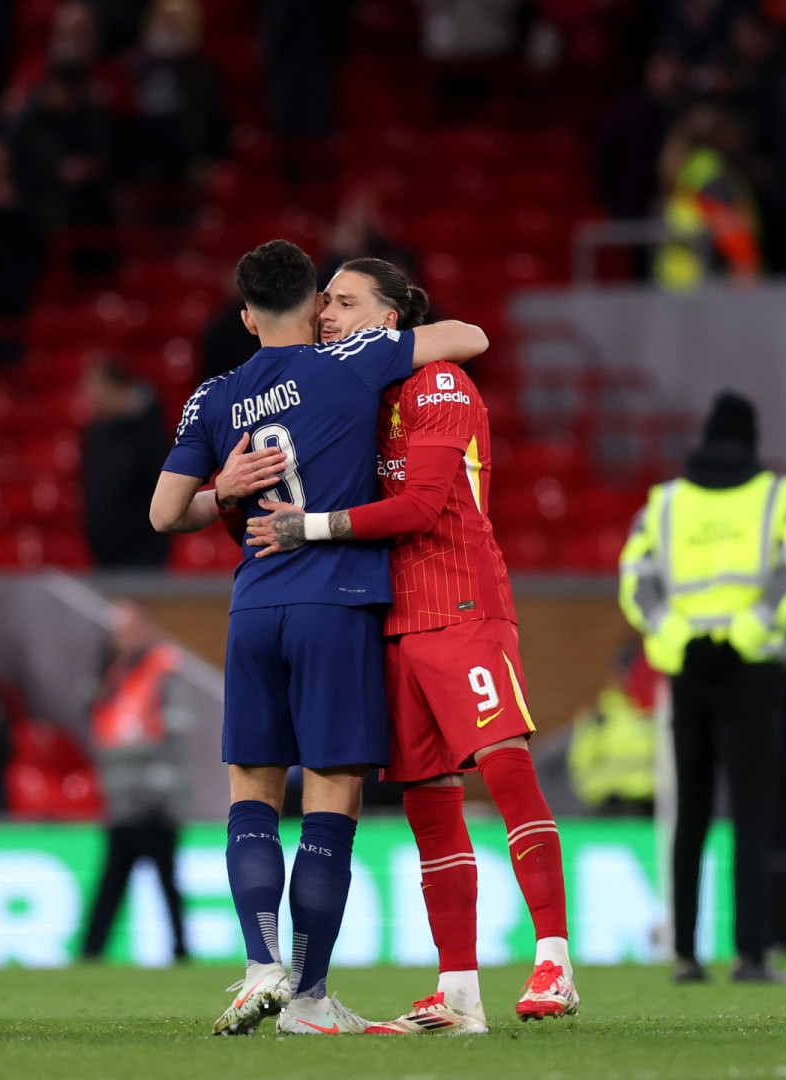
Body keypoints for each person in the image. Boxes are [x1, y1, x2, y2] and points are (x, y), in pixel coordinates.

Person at [149, 239, 485, 1036]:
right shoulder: (353, 359)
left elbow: (166, 515)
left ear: (243, 316)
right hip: (337, 600)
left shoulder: (213, 395)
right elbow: (468, 338)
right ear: (312, 306)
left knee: (252, 795)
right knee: (332, 798)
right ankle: (308, 997)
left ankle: (259, 962)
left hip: (253, 605)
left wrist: (221, 489)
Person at [244, 257, 577, 1033]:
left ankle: (554, 959)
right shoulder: (351, 398)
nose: (326, 314)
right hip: (393, 620)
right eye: (323, 302)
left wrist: (310, 528)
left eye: (346, 302)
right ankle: (458, 991)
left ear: (391, 320)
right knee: (430, 803)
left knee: (506, 770)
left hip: (462, 604)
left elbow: (425, 506)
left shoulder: (439, 386)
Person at [618, 390, 786, 984]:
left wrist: (676, 635)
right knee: (752, 813)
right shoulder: (780, 496)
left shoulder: (665, 503)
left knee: (691, 813)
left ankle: (685, 954)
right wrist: (752, 624)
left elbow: (637, 578)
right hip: (752, 662)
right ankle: (752, 954)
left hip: (687, 665)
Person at [79, 601, 193, 963]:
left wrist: (162, 787)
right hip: (123, 800)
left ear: (145, 628)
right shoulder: (115, 676)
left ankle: (178, 950)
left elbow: (173, 732)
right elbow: (94, 720)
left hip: (155, 800)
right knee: (117, 883)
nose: (119, 640)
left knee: (163, 882)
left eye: (125, 631)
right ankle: (92, 952)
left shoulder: (163, 669)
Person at [82, 362, 171, 568]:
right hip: (104, 554)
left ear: (117, 387)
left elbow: (160, 493)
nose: (94, 398)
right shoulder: (98, 431)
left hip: (144, 554)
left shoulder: (152, 432)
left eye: (98, 389)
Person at [569, 647, 658, 817]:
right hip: (609, 808)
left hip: (652, 807)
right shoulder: (599, 714)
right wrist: (600, 793)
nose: (630, 678)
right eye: (625, 672)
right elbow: (579, 765)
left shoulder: (661, 714)